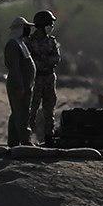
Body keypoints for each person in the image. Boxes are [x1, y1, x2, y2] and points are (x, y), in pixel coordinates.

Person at [28, 10, 61, 144]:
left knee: (49, 108)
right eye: (49, 24)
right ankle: (28, 137)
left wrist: (44, 62)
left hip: (49, 77)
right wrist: (44, 62)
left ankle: (49, 137)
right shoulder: (30, 42)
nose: (51, 27)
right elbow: (30, 61)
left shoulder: (51, 41)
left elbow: (56, 58)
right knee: (32, 109)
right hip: (36, 79)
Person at [4, 17, 36, 146]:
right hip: (18, 84)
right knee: (21, 113)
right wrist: (20, 86)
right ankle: (24, 140)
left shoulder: (20, 42)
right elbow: (15, 67)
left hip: (25, 84)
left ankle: (14, 141)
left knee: (19, 112)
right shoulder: (13, 44)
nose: (29, 30)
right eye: (26, 27)